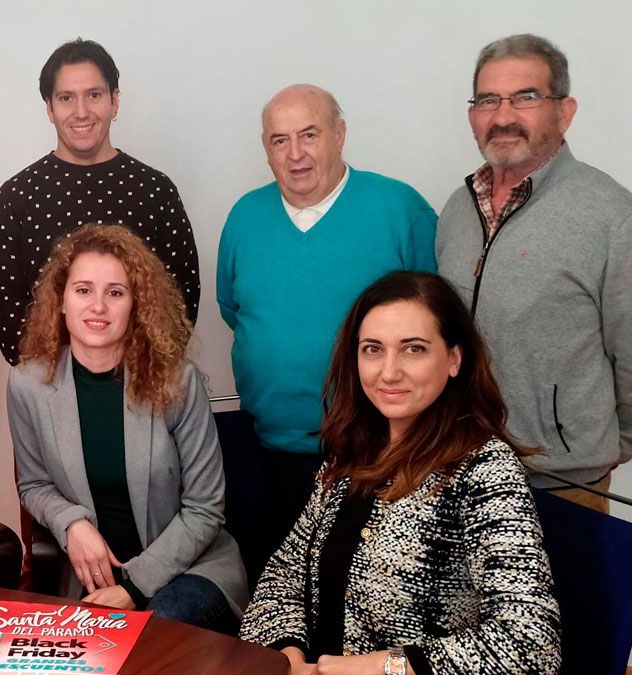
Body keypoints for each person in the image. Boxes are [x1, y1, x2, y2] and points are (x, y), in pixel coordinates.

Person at [240, 271, 560, 674]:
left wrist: (382, 668)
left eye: (414, 349)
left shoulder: (485, 468)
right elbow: (284, 575)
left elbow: (531, 643)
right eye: (373, 349)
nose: (389, 372)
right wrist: (286, 656)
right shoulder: (352, 454)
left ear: (454, 359)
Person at [216, 84, 437, 561]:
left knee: (357, 594)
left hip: (378, 453)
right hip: (268, 450)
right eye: (279, 140)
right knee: (275, 589)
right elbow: (233, 310)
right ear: (266, 148)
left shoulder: (400, 209)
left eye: (309, 134)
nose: (295, 154)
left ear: (340, 134)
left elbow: (438, 323)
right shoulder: (244, 217)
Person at [9, 224, 247, 632]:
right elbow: (33, 485)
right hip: (91, 578)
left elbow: (205, 508)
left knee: (155, 633)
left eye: (115, 293)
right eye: (83, 290)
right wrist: (72, 523)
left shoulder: (177, 381)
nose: (98, 306)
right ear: (61, 301)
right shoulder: (27, 385)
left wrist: (134, 586)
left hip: (189, 570)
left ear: (136, 305)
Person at [436, 34, 632, 513]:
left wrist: (595, 449)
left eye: (526, 97)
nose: (503, 116)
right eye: (488, 100)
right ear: (472, 116)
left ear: (564, 111)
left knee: (570, 591)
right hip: (459, 468)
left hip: (560, 484)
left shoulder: (612, 216)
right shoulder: (457, 211)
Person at [0, 38, 201, 365]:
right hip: (48, 394)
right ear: (50, 108)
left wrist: (136, 375)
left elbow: (180, 302)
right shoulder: (18, 196)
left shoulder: (155, 190)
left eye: (94, 95)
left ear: (114, 102)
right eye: (66, 98)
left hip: (141, 388)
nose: (81, 112)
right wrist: (54, 386)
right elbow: (5, 309)